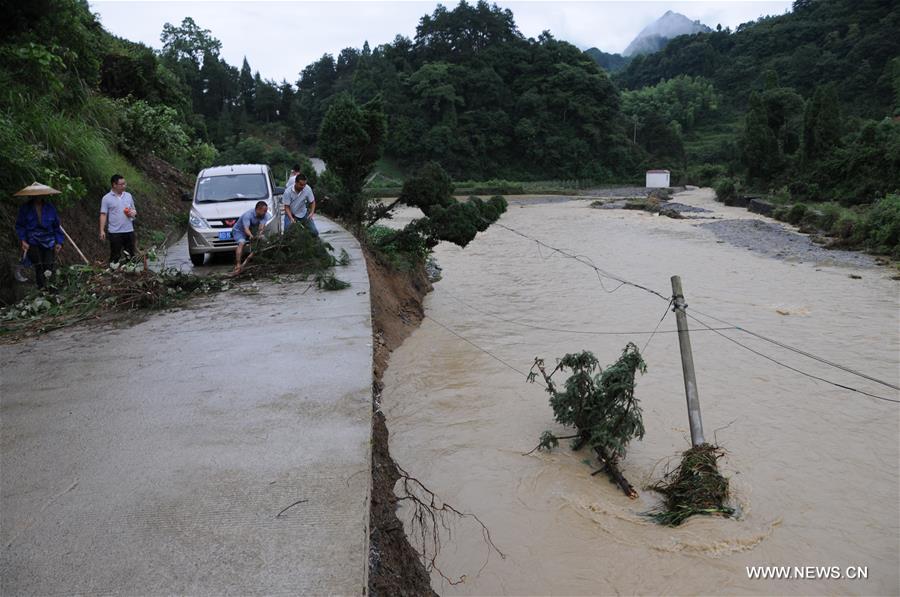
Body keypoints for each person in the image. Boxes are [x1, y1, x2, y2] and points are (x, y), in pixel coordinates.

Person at [15, 196, 65, 289]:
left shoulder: (50, 207)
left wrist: (59, 242)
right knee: (39, 266)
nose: (38, 197)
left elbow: (56, 226)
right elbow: (20, 226)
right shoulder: (25, 208)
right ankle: (42, 290)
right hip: (33, 241)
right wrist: (23, 240)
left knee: (49, 266)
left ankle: (51, 290)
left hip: (49, 241)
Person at [99, 174, 137, 264]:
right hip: (115, 232)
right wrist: (101, 230)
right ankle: (113, 274)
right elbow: (103, 214)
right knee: (115, 255)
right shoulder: (106, 198)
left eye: (125, 183)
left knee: (131, 255)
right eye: (121, 184)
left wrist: (133, 213)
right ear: (114, 185)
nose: (124, 186)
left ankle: (131, 273)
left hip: (129, 230)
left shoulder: (128, 196)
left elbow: (134, 210)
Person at [232, 201, 269, 273]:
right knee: (242, 243)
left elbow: (261, 228)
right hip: (239, 231)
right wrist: (251, 236)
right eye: (264, 211)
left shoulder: (265, 216)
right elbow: (246, 229)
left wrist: (259, 235)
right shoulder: (247, 215)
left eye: (266, 211)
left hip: (252, 230)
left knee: (263, 239)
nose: (266, 212)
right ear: (258, 209)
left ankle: (253, 260)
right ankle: (238, 264)